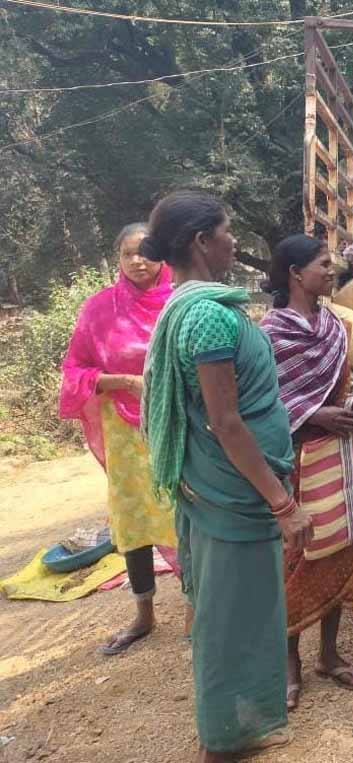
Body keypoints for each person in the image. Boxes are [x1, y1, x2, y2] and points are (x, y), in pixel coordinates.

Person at [140, 191, 312, 762]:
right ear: (201, 241)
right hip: (236, 493)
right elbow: (226, 422)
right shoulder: (210, 315)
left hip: (220, 486)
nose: (234, 241)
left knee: (230, 612)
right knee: (232, 622)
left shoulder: (187, 306)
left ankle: (238, 729)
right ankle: (222, 743)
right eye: (227, 230)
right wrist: (283, 505)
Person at [259, 234, 353, 710]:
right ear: (295, 273)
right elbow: (263, 401)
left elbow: (335, 389)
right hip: (292, 458)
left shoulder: (333, 325)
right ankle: (289, 661)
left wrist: (349, 407)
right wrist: (313, 414)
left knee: (337, 548)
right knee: (295, 557)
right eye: (323, 264)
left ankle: (328, 654)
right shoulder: (271, 333)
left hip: (334, 452)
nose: (332, 271)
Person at [59, 223, 177, 656]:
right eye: (128, 254)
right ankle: (144, 614)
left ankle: (195, 606)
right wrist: (125, 381)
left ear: (163, 255)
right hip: (125, 430)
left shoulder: (180, 302)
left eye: (146, 252)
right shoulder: (99, 309)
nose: (138, 261)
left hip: (176, 423)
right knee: (133, 519)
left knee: (184, 510)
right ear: (118, 259)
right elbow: (74, 371)